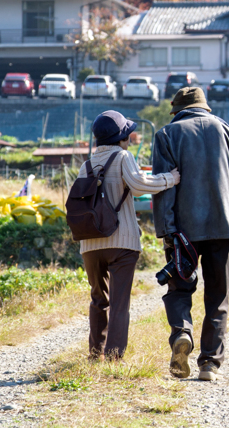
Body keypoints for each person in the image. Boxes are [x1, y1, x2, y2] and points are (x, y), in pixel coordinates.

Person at [152, 86, 229, 381]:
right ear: (204, 107)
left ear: (178, 110)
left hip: (182, 231)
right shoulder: (228, 133)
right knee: (217, 296)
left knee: (179, 289)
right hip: (224, 227)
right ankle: (209, 364)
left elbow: (163, 188)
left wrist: (167, 231)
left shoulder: (166, 135)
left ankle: (181, 334)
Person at [77, 111, 181, 360]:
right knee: (120, 303)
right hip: (122, 243)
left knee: (98, 299)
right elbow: (139, 185)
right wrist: (171, 178)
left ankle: (94, 354)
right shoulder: (123, 157)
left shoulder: (86, 165)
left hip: (90, 244)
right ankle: (113, 357)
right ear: (121, 136)